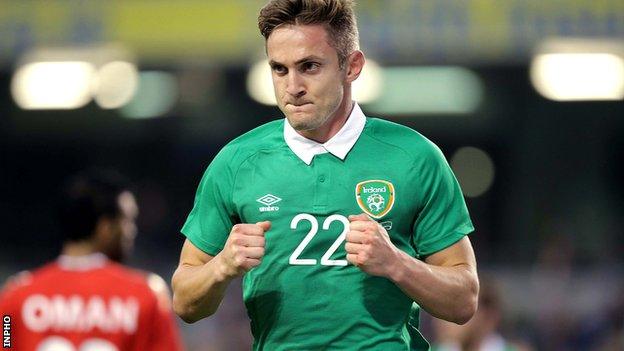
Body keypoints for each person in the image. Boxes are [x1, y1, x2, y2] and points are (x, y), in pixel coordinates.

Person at [172, 0, 478, 349]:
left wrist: (396, 263)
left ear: (352, 66)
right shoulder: (237, 162)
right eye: (279, 69)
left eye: (309, 66)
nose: (293, 86)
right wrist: (222, 265)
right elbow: (184, 301)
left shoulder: (415, 158)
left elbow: (464, 301)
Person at [0, 170, 184, 351]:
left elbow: (5, 342)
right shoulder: (146, 296)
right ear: (105, 227)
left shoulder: (15, 297)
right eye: (127, 221)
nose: (132, 231)